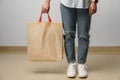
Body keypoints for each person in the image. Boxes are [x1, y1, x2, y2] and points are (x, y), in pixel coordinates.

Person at [41, 0, 98, 78]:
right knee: (68, 35)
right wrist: (47, 2)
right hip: (66, 4)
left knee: (84, 35)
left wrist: (94, 1)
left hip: (85, 4)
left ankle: (81, 64)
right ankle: (71, 64)